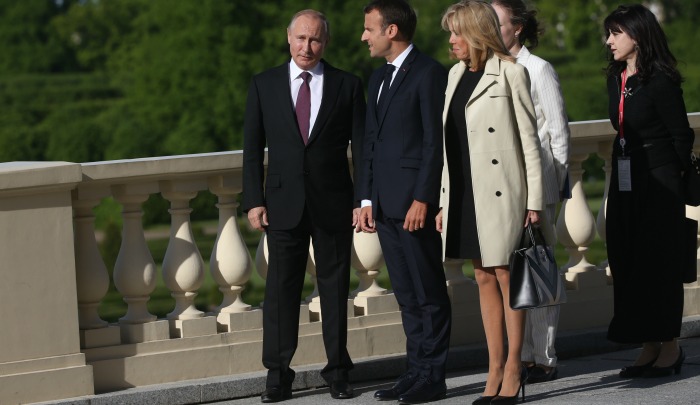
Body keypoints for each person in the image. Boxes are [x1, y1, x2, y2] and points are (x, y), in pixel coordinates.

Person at [242, 9, 365, 403]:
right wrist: (253, 200)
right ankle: (277, 376)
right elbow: (251, 150)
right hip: (281, 204)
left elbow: (362, 151)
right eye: (300, 39)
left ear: (325, 43)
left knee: (334, 290)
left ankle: (339, 372)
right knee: (280, 292)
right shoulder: (264, 85)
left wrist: (363, 200)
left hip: (334, 204)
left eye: (314, 40)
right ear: (288, 38)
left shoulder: (347, 85)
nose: (306, 47)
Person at [437, 1, 543, 404]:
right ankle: (494, 368)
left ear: (478, 33)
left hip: (502, 193)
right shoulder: (454, 75)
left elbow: (530, 144)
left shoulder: (511, 73)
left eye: (457, 33)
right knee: (482, 275)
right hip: (465, 192)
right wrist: (444, 201)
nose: (451, 41)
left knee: (505, 275)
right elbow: (451, 146)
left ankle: (514, 367)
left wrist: (534, 202)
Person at [357, 0, 451, 403]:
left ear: (391, 31)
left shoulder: (430, 73)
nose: (364, 36)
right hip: (383, 205)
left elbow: (435, 142)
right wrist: (365, 197)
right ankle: (414, 371)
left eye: (369, 29)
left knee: (428, 292)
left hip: (414, 205)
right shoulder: (377, 78)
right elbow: (368, 144)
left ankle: (433, 376)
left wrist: (423, 199)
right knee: (407, 295)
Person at [603, 4, 694, 379]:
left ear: (637, 35)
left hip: (658, 182)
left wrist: (669, 177)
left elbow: (681, 135)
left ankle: (670, 346)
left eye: (616, 33)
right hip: (625, 180)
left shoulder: (661, 80)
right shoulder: (616, 77)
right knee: (627, 258)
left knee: (659, 262)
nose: (609, 41)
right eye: (608, 34)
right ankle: (648, 343)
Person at [491, 0, 570, 384]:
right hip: (505, 191)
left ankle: (545, 357)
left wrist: (550, 193)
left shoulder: (538, 69)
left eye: (497, 21)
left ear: (518, 27)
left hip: (540, 191)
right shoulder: (492, 68)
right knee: (511, 274)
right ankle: (518, 357)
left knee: (539, 270)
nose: (489, 27)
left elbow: (558, 135)